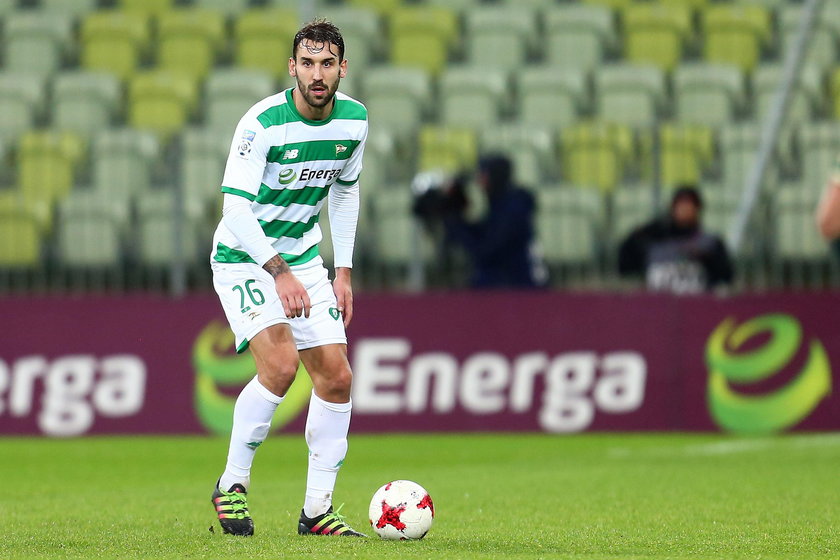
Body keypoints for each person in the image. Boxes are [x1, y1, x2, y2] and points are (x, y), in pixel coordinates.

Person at [208, 19, 367, 538]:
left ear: (342, 68)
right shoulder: (262, 124)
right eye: (308, 63)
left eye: (327, 64)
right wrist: (277, 272)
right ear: (292, 67)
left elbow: (344, 192)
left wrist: (342, 271)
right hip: (245, 258)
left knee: (338, 378)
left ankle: (317, 511)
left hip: (303, 261)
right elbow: (234, 208)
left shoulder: (355, 122)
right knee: (279, 367)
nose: (317, 74)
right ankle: (231, 487)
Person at [438, 154, 546, 289]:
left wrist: (456, 225)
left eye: (482, 175)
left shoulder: (513, 208)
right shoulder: (501, 204)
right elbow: (483, 233)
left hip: (520, 287)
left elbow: (487, 251)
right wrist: (453, 212)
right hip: (507, 282)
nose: (478, 182)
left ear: (495, 177)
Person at [618, 185, 733, 294]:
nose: (684, 210)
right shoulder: (652, 240)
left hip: (697, 305)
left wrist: (707, 261)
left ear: (698, 209)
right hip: (656, 306)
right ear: (672, 208)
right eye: (680, 205)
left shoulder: (710, 244)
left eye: (689, 205)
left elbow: (725, 278)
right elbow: (624, 265)